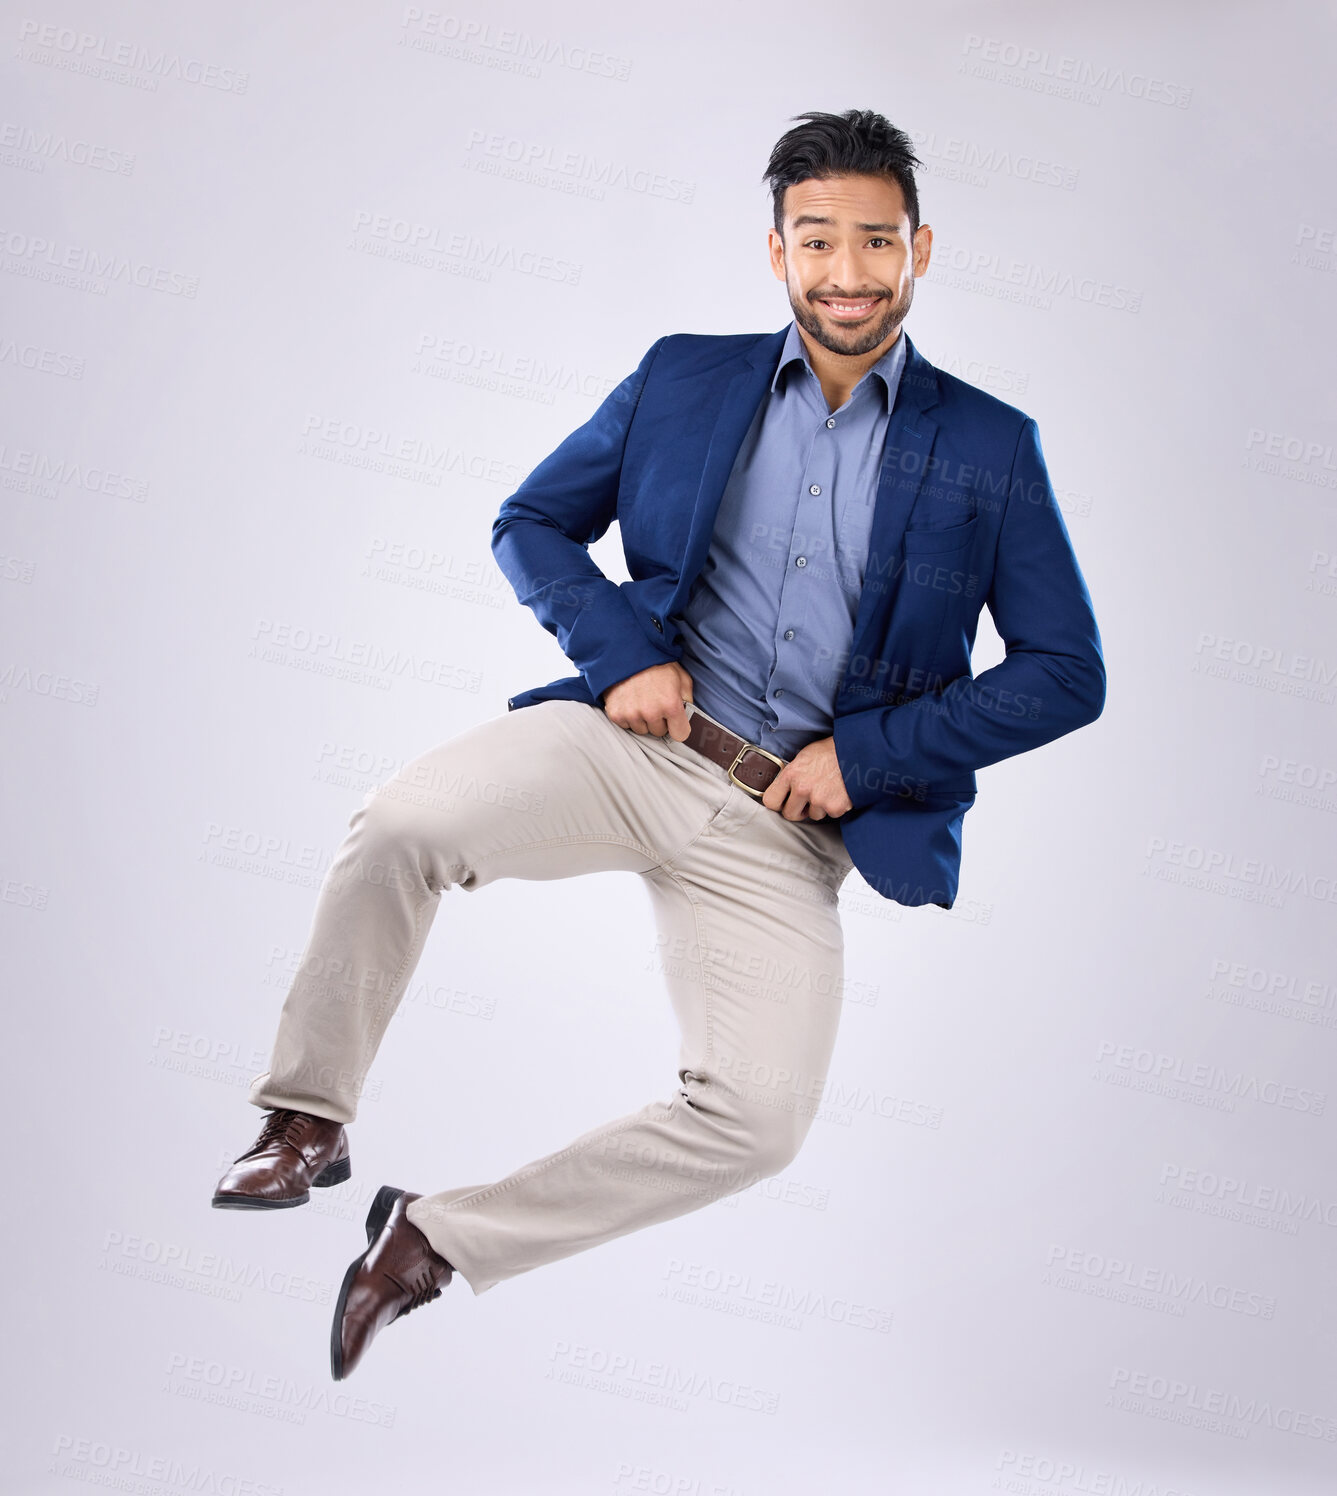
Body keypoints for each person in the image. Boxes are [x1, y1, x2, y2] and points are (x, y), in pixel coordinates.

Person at [211, 108, 1106, 1381]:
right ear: (774, 251)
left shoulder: (986, 445)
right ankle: (305, 1115)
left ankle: (430, 1240)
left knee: (756, 1121)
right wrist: (622, 655)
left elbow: (1066, 672)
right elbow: (530, 519)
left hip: (789, 832)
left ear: (918, 249)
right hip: (635, 745)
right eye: (815, 241)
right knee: (403, 823)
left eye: (871, 242)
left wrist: (870, 756)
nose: (843, 272)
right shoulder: (681, 375)